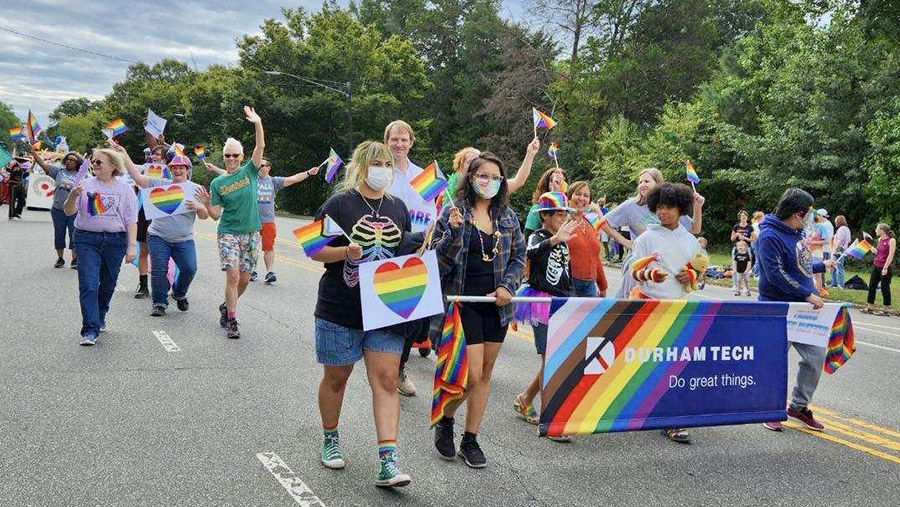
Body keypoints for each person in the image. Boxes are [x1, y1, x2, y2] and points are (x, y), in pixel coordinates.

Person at [309, 140, 419, 488]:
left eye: (388, 163)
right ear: (361, 165)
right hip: (341, 308)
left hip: (386, 308)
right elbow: (314, 250)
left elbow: (402, 251)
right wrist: (345, 251)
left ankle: (388, 462)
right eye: (377, 163)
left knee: (386, 381)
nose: (383, 169)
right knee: (337, 377)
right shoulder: (338, 204)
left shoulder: (398, 207)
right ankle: (330, 437)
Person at [430, 152, 526, 468]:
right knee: (470, 375)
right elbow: (438, 263)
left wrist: (507, 287)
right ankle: (446, 418)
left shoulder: (509, 217)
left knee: (485, 374)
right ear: (470, 178)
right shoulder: (453, 212)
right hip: (462, 303)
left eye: (496, 177)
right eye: (483, 176)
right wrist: (454, 234)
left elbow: (519, 258)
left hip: (496, 307)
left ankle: (471, 439)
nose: (490, 182)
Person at [627, 182, 704, 444]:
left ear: (681, 209)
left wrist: (692, 275)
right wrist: (649, 274)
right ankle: (638, 407)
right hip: (648, 307)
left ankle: (671, 419)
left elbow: (700, 275)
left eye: (669, 207)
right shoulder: (646, 238)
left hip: (679, 309)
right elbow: (633, 271)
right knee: (648, 365)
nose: (663, 212)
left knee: (675, 365)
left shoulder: (691, 241)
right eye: (659, 207)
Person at [757, 188, 836, 432]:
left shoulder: (797, 233)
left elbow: (798, 265)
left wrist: (821, 264)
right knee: (775, 361)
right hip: (777, 308)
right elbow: (775, 273)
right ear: (798, 213)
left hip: (802, 310)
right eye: (810, 213)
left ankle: (798, 406)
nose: (812, 217)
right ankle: (770, 409)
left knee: (815, 357)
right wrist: (807, 293)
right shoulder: (769, 236)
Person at [512, 191, 577, 442]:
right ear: (545, 216)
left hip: (561, 300)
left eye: (564, 213)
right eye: (559, 214)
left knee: (555, 359)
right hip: (540, 302)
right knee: (551, 360)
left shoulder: (563, 239)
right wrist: (554, 240)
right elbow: (530, 252)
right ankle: (552, 419)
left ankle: (526, 399)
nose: (563, 217)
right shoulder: (538, 236)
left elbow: (565, 270)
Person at [115, 144, 208, 317]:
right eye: (174, 167)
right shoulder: (159, 184)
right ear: (170, 169)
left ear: (187, 170)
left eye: (182, 167)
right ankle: (159, 303)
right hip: (158, 236)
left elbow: (204, 216)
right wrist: (124, 153)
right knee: (159, 270)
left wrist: (199, 206)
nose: (178, 170)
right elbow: (137, 177)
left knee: (189, 268)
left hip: (184, 239)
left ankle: (179, 293)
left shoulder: (195, 189)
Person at [197, 106, 265, 339]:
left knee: (245, 279)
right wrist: (207, 203)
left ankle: (227, 306)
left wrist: (257, 123)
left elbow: (260, 147)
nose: (232, 159)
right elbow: (215, 215)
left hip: (252, 233)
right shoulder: (217, 183)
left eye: (235, 155)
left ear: (242, 157)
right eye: (228, 155)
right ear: (223, 157)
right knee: (233, 276)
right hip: (228, 232)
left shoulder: (250, 172)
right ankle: (232, 320)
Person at [63, 149, 138, 346]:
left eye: (99, 162)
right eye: (94, 162)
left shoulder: (125, 189)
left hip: (115, 241)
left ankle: (100, 314)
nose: (95, 165)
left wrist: (131, 246)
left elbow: (131, 220)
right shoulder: (84, 185)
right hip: (87, 240)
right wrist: (73, 195)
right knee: (88, 285)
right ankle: (89, 329)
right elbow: (68, 210)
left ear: (113, 166)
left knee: (107, 284)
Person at [207, 157, 321, 285]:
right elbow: (229, 175)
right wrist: (215, 169)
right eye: (259, 165)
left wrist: (308, 173)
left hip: (268, 221)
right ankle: (252, 271)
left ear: (269, 167)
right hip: (251, 220)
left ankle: (270, 272)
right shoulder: (250, 178)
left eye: (264, 165)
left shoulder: (274, 181)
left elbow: (293, 178)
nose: (260, 167)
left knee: (268, 247)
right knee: (251, 248)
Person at [600, 168, 704, 298]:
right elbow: (603, 223)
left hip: (673, 301)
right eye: (640, 182)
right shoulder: (632, 208)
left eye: (646, 181)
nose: (663, 212)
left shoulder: (688, 239)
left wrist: (692, 274)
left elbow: (695, 233)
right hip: (640, 262)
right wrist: (626, 242)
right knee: (629, 296)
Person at [443, 139, 541, 207]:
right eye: (470, 161)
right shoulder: (448, 191)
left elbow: (519, 181)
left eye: (477, 160)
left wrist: (530, 154)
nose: (474, 164)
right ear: (460, 166)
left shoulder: (490, 186)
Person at [27, 146, 82, 268]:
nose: (68, 161)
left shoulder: (82, 175)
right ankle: (60, 259)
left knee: (74, 234)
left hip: (74, 211)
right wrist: (33, 153)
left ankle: (74, 260)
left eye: (72, 160)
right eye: (67, 159)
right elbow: (42, 164)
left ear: (77, 163)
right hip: (58, 210)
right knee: (59, 234)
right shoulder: (58, 172)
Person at [133, 144, 169, 299]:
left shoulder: (170, 171)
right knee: (143, 249)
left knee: (160, 252)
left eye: (159, 154)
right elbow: (131, 170)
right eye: (154, 154)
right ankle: (143, 285)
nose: (155, 157)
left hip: (161, 213)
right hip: (144, 211)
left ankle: (163, 282)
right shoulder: (145, 169)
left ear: (165, 158)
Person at [566, 181, 608, 297]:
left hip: (590, 287)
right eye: (578, 194)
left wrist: (602, 285)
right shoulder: (562, 221)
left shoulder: (589, 224)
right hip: (568, 285)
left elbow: (595, 257)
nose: (582, 198)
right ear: (569, 197)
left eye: (586, 196)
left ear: (590, 201)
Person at [863, 223, 896, 315]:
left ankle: (885, 310)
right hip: (876, 266)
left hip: (885, 267)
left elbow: (890, 255)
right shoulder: (880, 239)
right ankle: (870, 307)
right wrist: (871, 248)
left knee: (885, 288)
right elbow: (879, 253)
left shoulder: (891, 240)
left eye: (877, 229)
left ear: (882, 230)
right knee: (872, 286)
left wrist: (885, 267)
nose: (875, 230)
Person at [523, 168, 567, 236]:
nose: (559, 183)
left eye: (562, 180)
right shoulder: (537, 209)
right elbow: (528, 237)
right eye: (553, 180)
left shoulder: (568, 209)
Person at [831, 215, 851, 289]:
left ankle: (838, 284)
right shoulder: (847, 229)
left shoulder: (841, 229)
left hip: (839, 249)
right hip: (843, 249)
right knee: (839, 266)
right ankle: (837, 283)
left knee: (835, 266)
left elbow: (839, 240)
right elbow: (848, 240)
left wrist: (834, 249)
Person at [751, 211, 764, 278]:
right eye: (762, 217)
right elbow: (756, 236)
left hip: (757, 242)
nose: (763, 219)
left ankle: (753, 271)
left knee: (759, 258)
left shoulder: (758, 224)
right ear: (759, 218)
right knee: (758, 258)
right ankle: (756, 274)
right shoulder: (756, 225)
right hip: (756, 242)